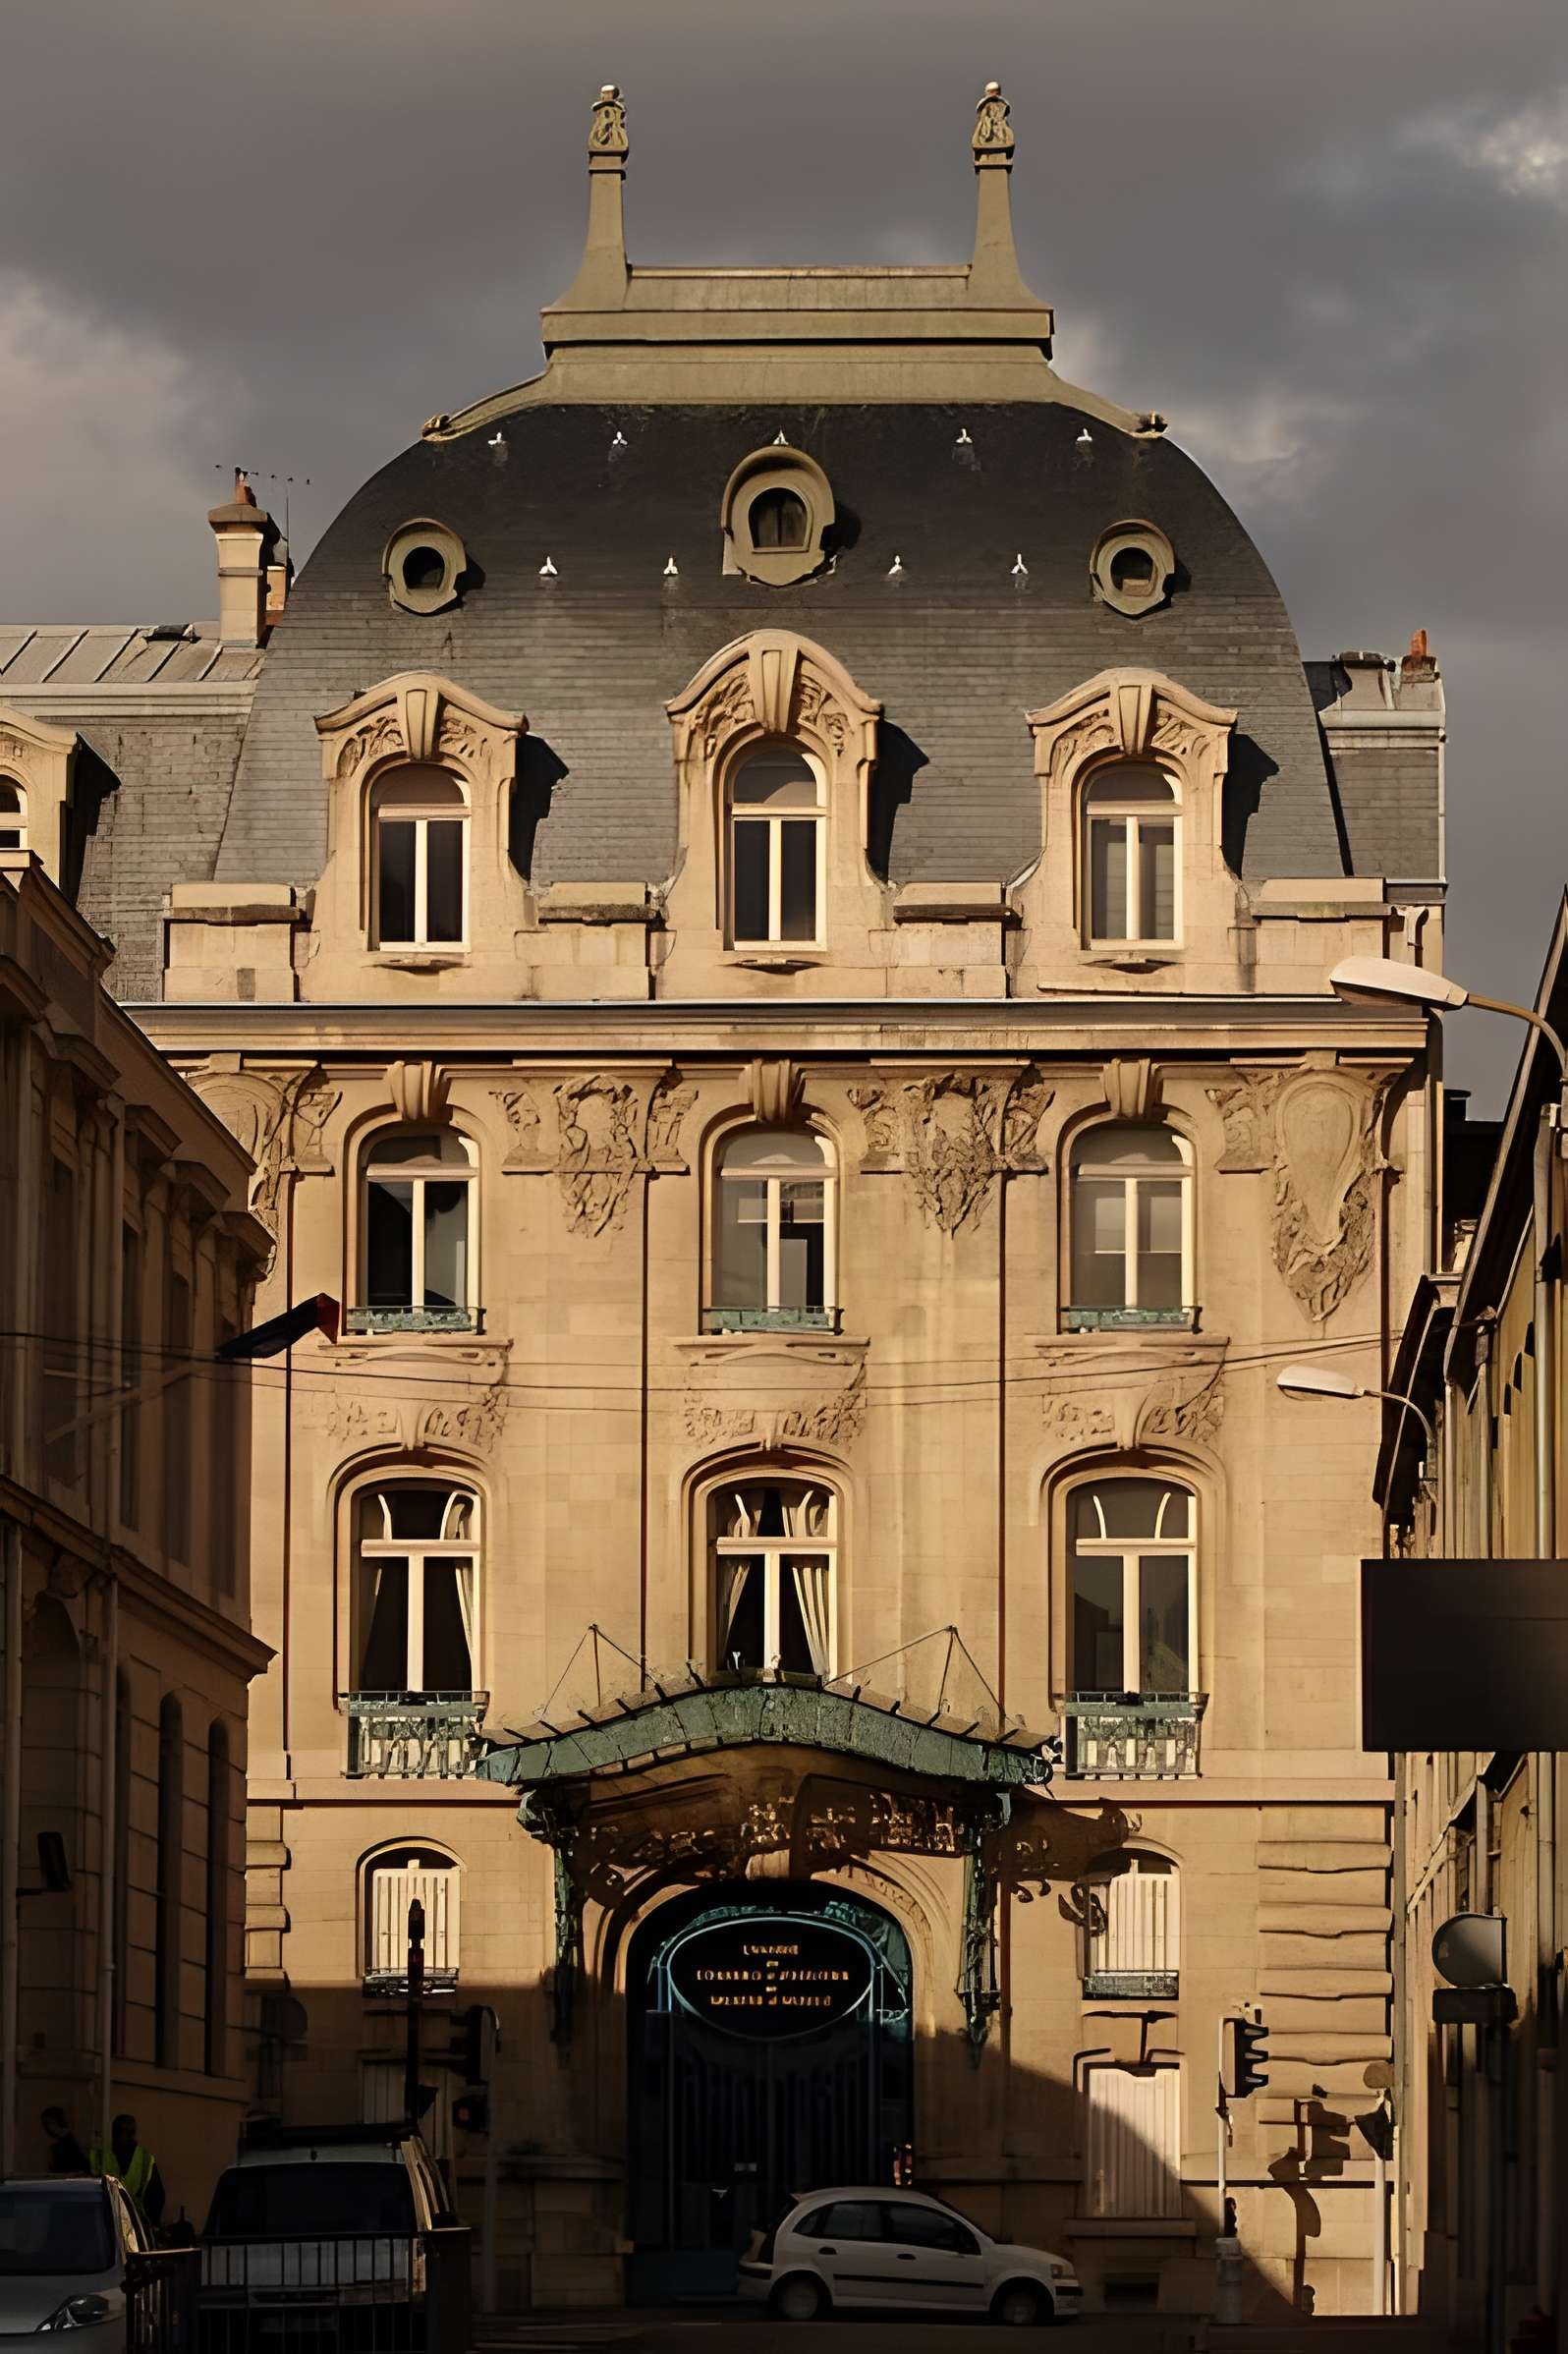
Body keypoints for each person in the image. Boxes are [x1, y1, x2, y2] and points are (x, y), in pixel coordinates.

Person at [87, 2113, 166, 2226]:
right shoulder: (101, 2155)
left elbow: (157, 2196)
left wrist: (151, 2223)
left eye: (122, 2131)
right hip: (107, 2219)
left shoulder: (145, 2159)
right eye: (116, 2131)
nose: (118, 2135)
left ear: (132, 2134)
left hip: (135, 2221)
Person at [41, 2107, 88, 2173]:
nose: (48, 2127)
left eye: (49, 2123)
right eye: (46, 2124)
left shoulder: (68, 2143)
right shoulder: (66, 2141)